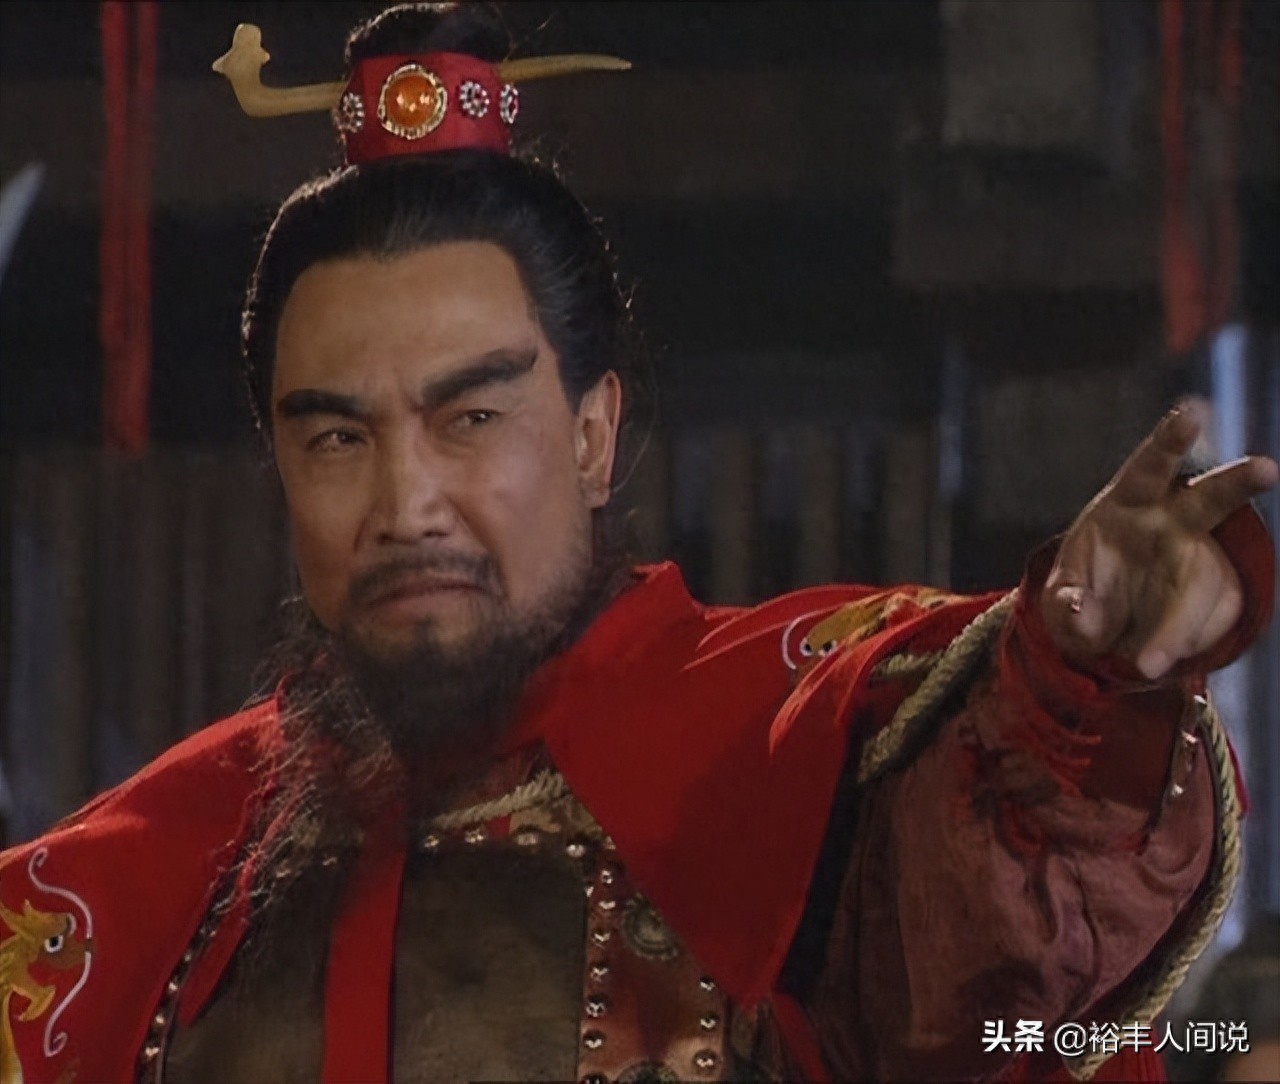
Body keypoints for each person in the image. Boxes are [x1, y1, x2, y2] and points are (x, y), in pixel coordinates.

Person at [1, 4, 1275, 1082]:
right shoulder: (168, 866)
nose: (405, 502)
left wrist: (1075, 676)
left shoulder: (799, 740)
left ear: (592, 434)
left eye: (470, 417)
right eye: (336, 437)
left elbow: (996, 916)